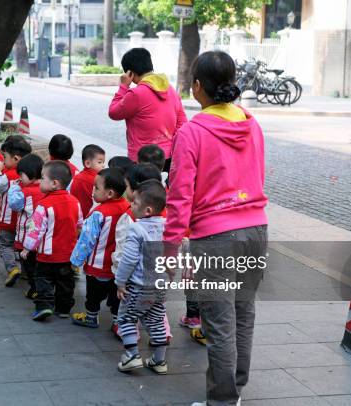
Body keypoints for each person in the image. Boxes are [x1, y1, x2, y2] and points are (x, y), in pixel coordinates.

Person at [164, 51, 268, 406]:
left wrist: (170, 248)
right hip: (256, 231)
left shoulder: (191, 133)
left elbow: (179, 197)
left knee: (220, 321)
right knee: (243, 312)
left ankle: (223, 400)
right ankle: (235, 388)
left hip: (215, 238)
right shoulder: (251, 124)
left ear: (197, 86)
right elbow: (257, 174)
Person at [115, 180, 169, 374]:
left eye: (135, 203)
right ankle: (159, 360)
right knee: (156, 320)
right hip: (160, 286)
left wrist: (120, 282)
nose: (131, 205)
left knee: (126, 318)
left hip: (138, 286)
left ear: (147, 210)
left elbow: (128, 259)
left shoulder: (136, 229)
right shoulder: (168, 227)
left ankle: (132, 356)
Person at [70, 168, 129, 337]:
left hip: (97, 266)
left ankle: (91, 317)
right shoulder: (127, 208)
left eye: (96, 187)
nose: (92, 190)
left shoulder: (99, 213)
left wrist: (76, 261)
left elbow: (86, 240)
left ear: (110, 193)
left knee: (93, 296)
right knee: (116, 296)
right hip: (117, 267)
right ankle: (118, 323)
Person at [21, 161, 83, 321]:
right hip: (67, 254)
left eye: (42, 178)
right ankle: (63, 307)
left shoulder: (43, 205)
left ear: (54, 183)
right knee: (65, 282)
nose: (40, 181)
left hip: (46, 256)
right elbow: (80, 225)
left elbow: (35, 230)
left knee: (43, 281)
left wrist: (27, 247)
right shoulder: (75, 202)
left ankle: (44, 306)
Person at [108, 48, 187, 166]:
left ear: (129, 72)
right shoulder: (170, 90)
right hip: (167, 156)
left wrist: (123, 86)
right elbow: (182, 123)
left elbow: (113, 112)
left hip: (142, 157)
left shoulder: (136, 94)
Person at [0, 136, 32, 281]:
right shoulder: (31, 175)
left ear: (15, 158)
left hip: (8, 219)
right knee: (22, 247)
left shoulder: (7, 175)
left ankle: (12, 268)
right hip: (24, 221)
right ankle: (27, 272)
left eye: (5, 157)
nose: (3, 160)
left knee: (4, 244)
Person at [8, 154, 46, 297]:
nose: (20, 178)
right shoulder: (45, 189)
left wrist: (14, 188)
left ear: (30, 174)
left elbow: (14, 204)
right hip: (42, 236)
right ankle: (41, 287)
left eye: (21, 175)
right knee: (40, 263)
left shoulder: (25, 192)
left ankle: (35, 288)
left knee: (30, 264)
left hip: (28, 235)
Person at [70, 144, 106, 218]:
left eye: (103, 162)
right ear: (88, 163)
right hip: (87, 215)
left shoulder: (78, 176)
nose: (103, 165)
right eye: (100, 162)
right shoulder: (96, 180)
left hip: (74, 212)